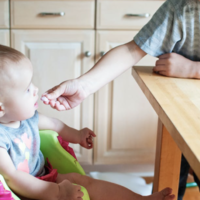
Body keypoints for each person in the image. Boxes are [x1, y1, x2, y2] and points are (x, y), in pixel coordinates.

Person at [41, 0, 200, 199]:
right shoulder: (182, 7)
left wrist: (194, 69)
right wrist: (83, 85)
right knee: (174, 176)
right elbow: (132, 50)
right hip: (182, 113)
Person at [0, 45, 175, 200]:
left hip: (45, 176)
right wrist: (57, 193)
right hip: (24, 192)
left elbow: (55, 124)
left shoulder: (28, 119)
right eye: (27, 89)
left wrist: (77, 135)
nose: (35, 90)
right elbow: (13, 177)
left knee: (85, 182)